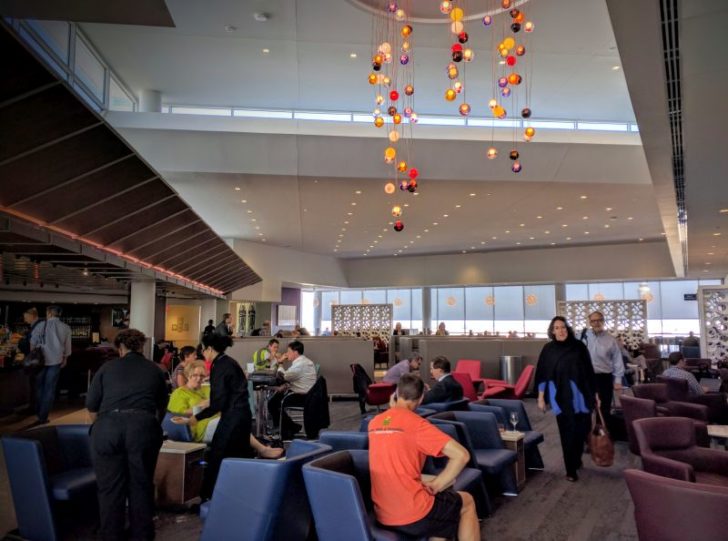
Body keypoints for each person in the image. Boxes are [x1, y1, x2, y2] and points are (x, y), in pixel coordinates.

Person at [368, 373, 479, 541]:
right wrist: (437, 484)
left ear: (396, 394)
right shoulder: (417, 425)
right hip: (412, 513)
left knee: (442, 515)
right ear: (420, 399)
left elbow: (392, 428)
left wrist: (393, 408)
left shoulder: (374, 423)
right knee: (467, 502)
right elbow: (462, 455)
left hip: (383, 512)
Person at [86, 329, 168, 541]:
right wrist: (149, 427)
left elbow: (92, 406)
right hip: (142, 427)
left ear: (120, 348)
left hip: (107, 428)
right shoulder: (155, 370)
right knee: (140, 486)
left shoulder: (106, 368)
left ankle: (111, 536)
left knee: (109, 489)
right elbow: (162, 407)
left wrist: (105, 426)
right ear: (141, 347)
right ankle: (141, 536)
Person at [183, 334, 253, 501]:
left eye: (203, 349)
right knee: (239, 455)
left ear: (210, 349)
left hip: (233, 417)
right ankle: (237, 494)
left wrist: (196, 418)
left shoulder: (219, 367)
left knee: (218, 455)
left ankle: (209, 497)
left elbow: (218, 402)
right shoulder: (228, 362)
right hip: (241, 415)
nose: (202, 353)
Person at [168, 361, 283, 457]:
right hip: (199, 427)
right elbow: (177, 416)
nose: (198, 379)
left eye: (201, 376)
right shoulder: (179, 394)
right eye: (195, 375)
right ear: (188, 376)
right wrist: (200, 406)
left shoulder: (206, 390)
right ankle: (262, 449)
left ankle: (247, 456)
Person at [536, 316, 598, 482]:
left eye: (563, 327)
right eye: (556, 328)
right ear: (552, 331)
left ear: (567, 329)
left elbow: (589, 371)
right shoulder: (548, 349)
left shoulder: (578, 347)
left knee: (582, 430)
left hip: (581, 396)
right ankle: (570, 470)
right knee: (567, 432)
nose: (560, 330)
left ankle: (576, 458)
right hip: (560, 397)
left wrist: (595, 394)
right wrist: (541, 398)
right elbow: (542, 374)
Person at [29, 305, 71, 426]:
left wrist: (33, 357)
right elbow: (67, 346)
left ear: (49, 314)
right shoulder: (65, 327)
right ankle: (43, 416)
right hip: (56, 361)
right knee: (49, 389)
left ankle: (38, 411)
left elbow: (32, 342)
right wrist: (65, 358)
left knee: (38, 387)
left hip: (40, 361)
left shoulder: (41, 325)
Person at [268, 340, 317, 440]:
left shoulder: (300, 364)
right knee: (276, 399)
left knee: (273, 403)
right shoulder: (303, 361)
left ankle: (284, 431)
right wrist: (286, 385)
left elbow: (283, 376)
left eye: (288, 352)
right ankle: (290, 427)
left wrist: (281, 363)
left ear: (295, 352)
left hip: (302, 396)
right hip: (307, 394)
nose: (286, 354)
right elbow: (294, 379)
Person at [581, 311, 623, 426]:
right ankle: (587, 437)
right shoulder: (583, 336)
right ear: (590, 322)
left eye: (599, 320)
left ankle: (602, 437)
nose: (596, 323)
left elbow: (617, 360)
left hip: (604, 378)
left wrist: (618, 380)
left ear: (603, 321)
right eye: (593, 321)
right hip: (586, 377)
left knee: (604, 408)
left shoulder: (610, 339)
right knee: (586, 407)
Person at [18, 307, 43, 414]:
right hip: (39, 359)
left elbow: (30, 344)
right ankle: (34, 407)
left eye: (26, 317)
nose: (25, 319)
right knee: (35, 385)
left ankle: (34, 408)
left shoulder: (37, 326)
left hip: (36, 359)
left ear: (32, 316)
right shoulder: (38, 325)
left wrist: (21, 342)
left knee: (36, 385)